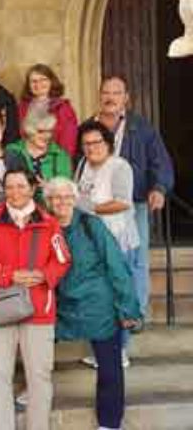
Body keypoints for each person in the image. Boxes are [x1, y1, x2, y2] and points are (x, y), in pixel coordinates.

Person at [0, 168, 71, 430]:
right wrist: (9, 275)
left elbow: (62, 260)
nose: (15, 192)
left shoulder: (49, 223)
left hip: (38, 308)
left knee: (39, 377)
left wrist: (42, 275)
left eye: (20, 186)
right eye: (9, 187)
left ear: (32, 189)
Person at [44, 177, 142, 430]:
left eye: (67, 196)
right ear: (48, 202)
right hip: (59, 304)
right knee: (36, 359)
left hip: (98, 303)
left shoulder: (91, 225)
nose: (62, 202)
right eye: (56, 197)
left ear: (75, 199)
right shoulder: (43, 227)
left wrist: (128, 308)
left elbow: (116, 266)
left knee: (110, 369)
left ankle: (109, 423)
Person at [79, 76, 174, 325]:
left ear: (126, 98)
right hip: (94, 207)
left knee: (135, 257)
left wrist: (159, 188)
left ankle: (136, 312)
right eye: (106, 92)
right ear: (99, 96)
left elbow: (159, 162)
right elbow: (76, 163)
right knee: (97, 259)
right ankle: (104, 313)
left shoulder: (141, 128)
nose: (110, 97)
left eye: (117, 92)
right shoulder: (87, 127)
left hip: (132, 203)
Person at [75, 120, 141, 366]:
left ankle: (120, 350)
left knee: (119, 294)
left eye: (96, 142)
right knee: (98, 298)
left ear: (108, 143)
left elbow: (123, 202)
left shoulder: (119, 166)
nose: (91, 148)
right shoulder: (83, 165)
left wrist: (89, 207)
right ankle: (101, 350)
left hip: (118, 241)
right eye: (86, 144)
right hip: (92, 243)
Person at [6, 109, 72, 203]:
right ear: (29, 130)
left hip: (51, 211)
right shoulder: (13, 151)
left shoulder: (60, 155)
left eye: (49, 131)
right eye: (41, 131)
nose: (47, 136)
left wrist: (50, 187)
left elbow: (66, 189)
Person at [17, 64, 78, 157]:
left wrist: (63, 161)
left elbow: (69, 141)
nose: (38, 84)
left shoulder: (63, 107)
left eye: (43, 79)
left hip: (54, 160)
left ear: (51, 81)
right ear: (28, 85)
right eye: (33, 81)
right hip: (27, 159)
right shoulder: (22, 107)